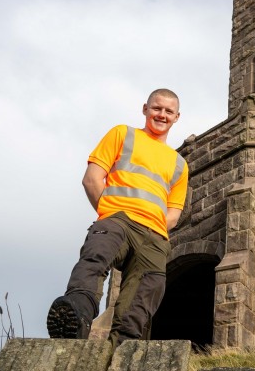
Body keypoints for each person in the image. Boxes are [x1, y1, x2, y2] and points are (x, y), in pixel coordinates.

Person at [47, 89, 188, 345]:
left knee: (145, 292)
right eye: (157, 108)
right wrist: (111, 211)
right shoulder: (123, 134)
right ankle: (76, 316)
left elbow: (174, 214)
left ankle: (122, 348)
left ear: (177, 117)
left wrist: (155, 229)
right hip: (117, 220)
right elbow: (91, 179)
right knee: (95, 259)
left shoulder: (180, 163)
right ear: (145, 108)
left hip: (154, 236)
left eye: (168, 111)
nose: (162, 115)